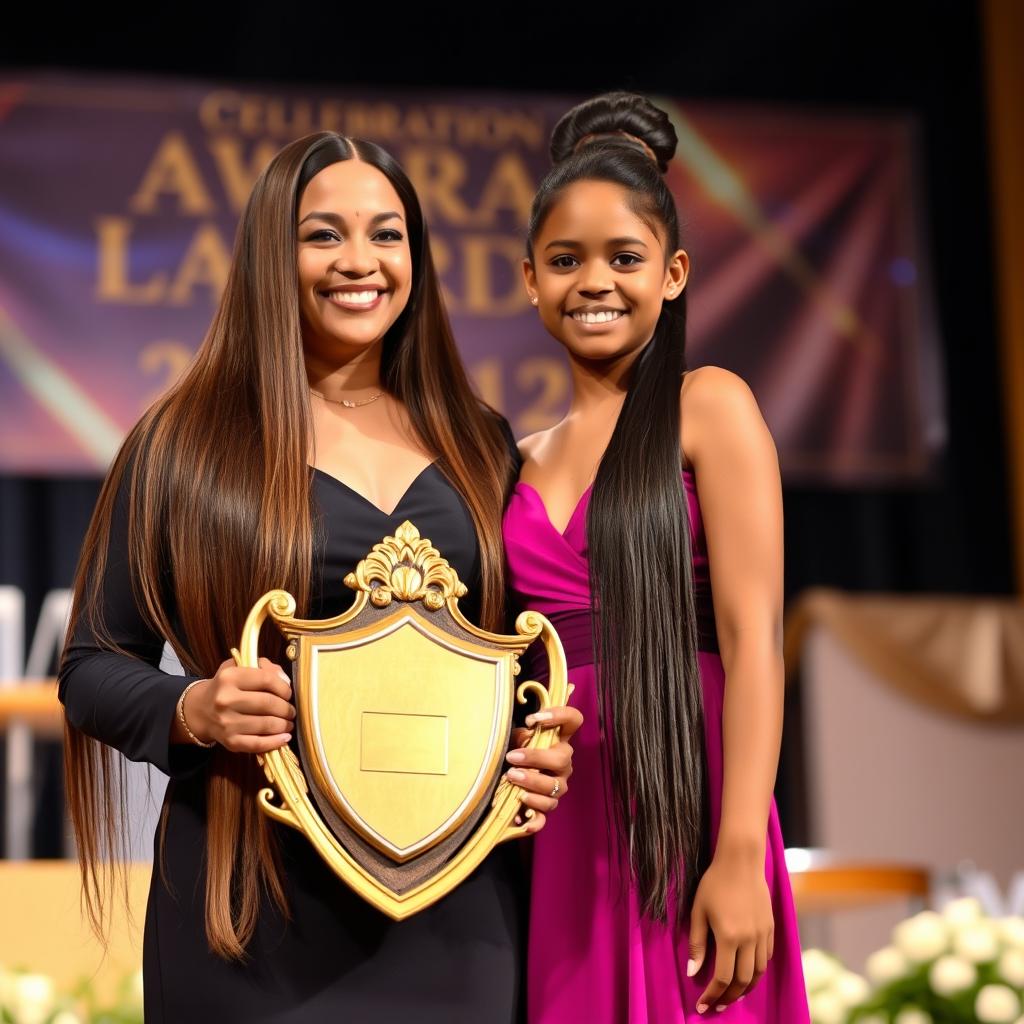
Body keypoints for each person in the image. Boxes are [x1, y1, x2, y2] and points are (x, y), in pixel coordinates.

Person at [59, 132, 580, 1023]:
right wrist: (194, 710)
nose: (360, 262)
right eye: (323, 235)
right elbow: (92, 665)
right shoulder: (186, 443)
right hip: (250, 910)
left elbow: (524, 660)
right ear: (272, 252)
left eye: (387, 235)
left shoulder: (480, 443)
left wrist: (542, 746)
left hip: (457, 910)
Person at [502, 93, 810, 1022]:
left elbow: (755, 641)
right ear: (528, 279)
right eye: (565, 260)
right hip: (554, 827)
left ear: (673, 273)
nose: (593, 281)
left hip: (685, 799)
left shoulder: (709, 406)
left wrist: (740, 854)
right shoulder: (514, 459)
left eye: (624, 257)